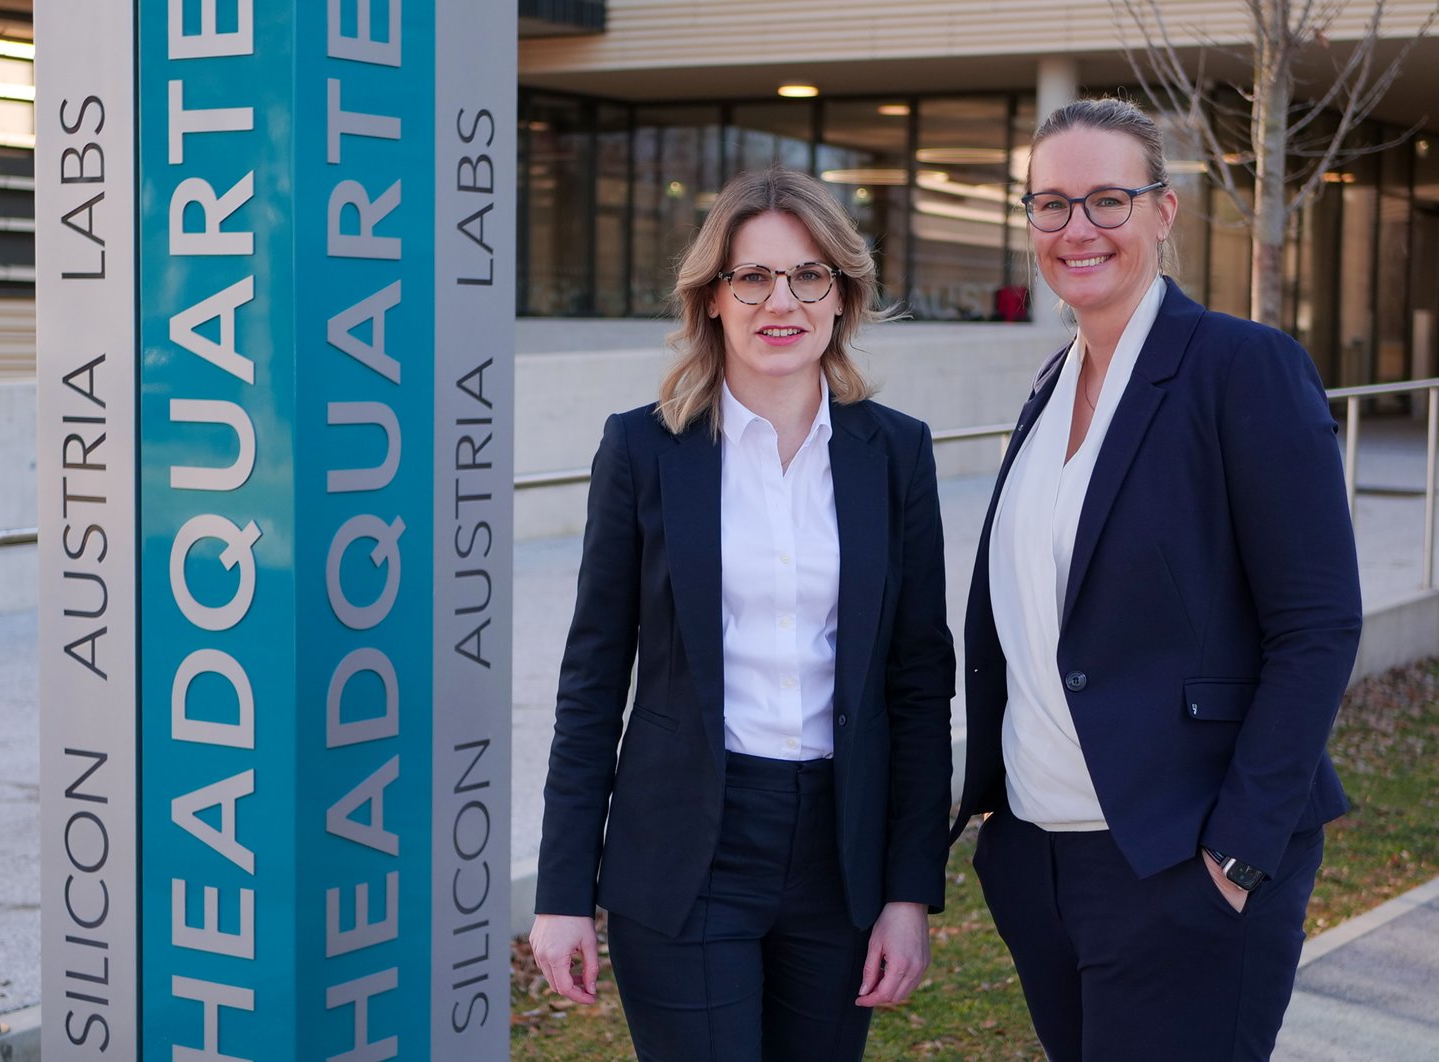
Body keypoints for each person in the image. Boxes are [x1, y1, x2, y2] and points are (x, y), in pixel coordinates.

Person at [950, 97, 1362, 1061]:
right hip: (1043, 862)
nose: (1076, 229)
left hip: (1183, 863)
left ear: (1165, 212)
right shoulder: (1051, 389)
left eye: (1107, 199)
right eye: (1050, 205)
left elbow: (1318, 624)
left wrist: (1235, 854)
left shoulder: (1241, 367)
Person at [529, 167, 955, 1061]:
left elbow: (919, 686)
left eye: (808, 276)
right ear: (712, 298)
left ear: (842, 295)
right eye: (751, 277)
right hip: (687, 852)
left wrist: (909, 893)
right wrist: (563, 890)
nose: (780, 300)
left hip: (843, 858)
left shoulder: (897, 455)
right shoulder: (643, 450)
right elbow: (594, 679)